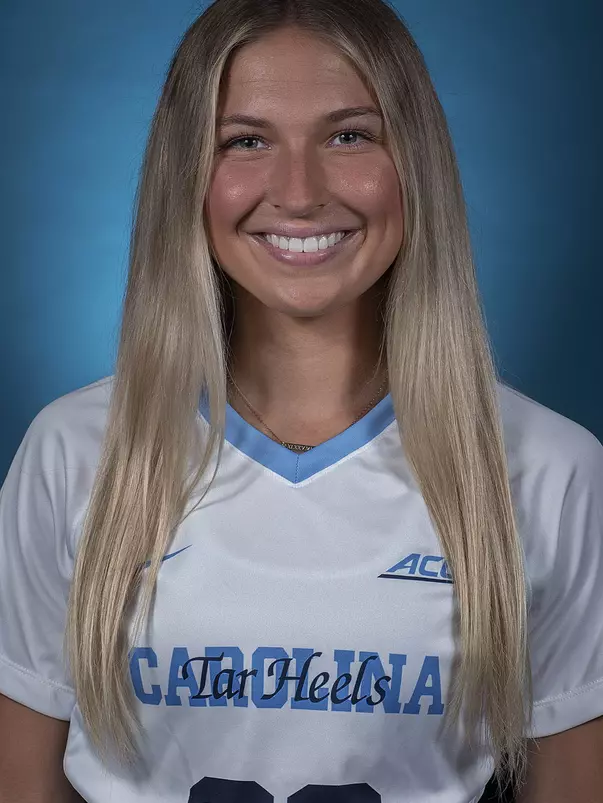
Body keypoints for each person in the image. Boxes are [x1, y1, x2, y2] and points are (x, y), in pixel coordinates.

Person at [0, 0, 602, 801]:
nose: (298, 191)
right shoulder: (74, 451)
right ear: (189, 173)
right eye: (245, 141)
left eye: (348, 135)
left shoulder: (548, 469)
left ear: (412, 162)